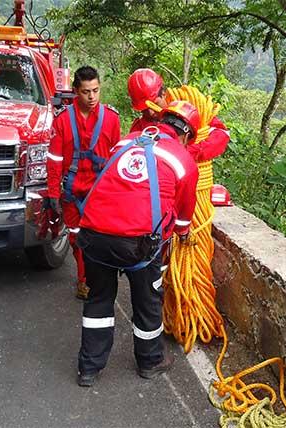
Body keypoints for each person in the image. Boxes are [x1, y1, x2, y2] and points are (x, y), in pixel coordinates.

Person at [74, 101, 201, 387]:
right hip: (139, 243)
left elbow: (115, 183)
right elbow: (183, 215)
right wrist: (183, 235)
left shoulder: (126, 142)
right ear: (185, 135)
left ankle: (89, 369)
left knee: (99, 297)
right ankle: (151, 361)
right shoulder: (183, 159)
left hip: (93, 233)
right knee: (147, 300)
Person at [46, 66, 121, 300]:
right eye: (86, 91)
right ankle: (84, 280)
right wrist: (53, 195)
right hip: (73, 192)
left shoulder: (111, 119)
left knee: (100, 239)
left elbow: (117, 158)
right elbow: (54, 160)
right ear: (75, 91)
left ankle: (95, 280)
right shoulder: (62, 121)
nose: (92, 97)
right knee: (77, 240)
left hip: (101, 193)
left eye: (96, 91)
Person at [127, 68, 231, 163]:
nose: (151, 112)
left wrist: (189, 152)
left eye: (154, 104)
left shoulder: (190, 107)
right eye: (144, 110)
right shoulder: (140, 128)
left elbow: (222, 134)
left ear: (163, 94)